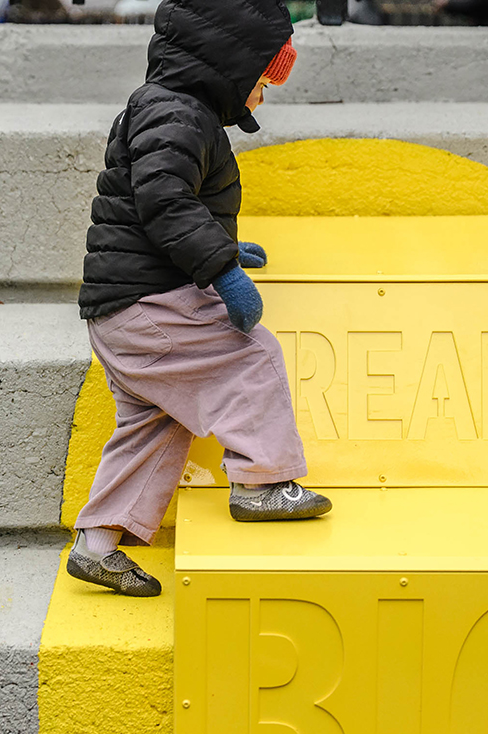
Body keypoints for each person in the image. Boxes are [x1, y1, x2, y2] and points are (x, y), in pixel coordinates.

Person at [68, 0, 331, 600]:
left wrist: (229, 248)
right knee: (249, 357)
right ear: (230, 67)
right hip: (148, 304)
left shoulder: (171, 108)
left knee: (155, 424)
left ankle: (98, 545)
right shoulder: (179, 113)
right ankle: (262, 484)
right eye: (262, 82)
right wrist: (221, 270)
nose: (263, 96)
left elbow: (168, 206)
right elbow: (165, 200)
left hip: (119, 309)